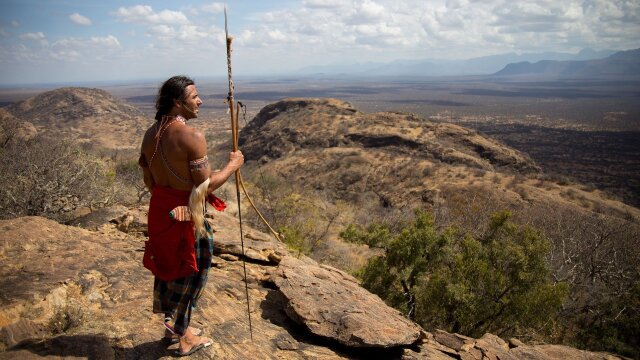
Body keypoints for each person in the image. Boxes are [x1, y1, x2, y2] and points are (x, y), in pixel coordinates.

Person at [138, 75, 244, 356]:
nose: (200, 101)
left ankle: (173, 326)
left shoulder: (150, 134)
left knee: (168, 268)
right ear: (177, 102)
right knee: (192, 271)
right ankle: (183, 334)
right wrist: (233, 166)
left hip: (160, 211)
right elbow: (204, 185)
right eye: (195, 96)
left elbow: (149, 179)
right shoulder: (192, 137)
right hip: (187, 213)